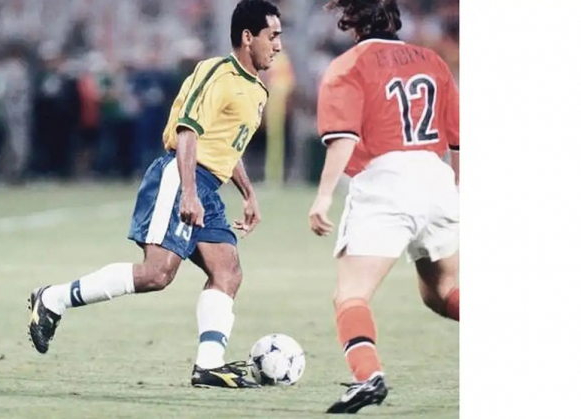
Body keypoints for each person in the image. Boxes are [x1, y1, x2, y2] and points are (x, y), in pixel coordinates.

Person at [27, 0, 283, 390]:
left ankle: (209, 365)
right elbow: (187, 131)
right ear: (248, 37)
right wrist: (189, 193)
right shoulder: (216, 73)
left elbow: (226, 148)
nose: (278, 45)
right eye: (272, 36)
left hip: (207, 185)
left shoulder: (257, 90)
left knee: (228, 272)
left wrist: (248, 193)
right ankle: (53, 299)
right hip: (180, 176)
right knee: (157, 273)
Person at [308, 0, 460, 413]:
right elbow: (460, 138)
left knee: (350, 295)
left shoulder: (348, 65)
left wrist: (323, 195)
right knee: (442, 293)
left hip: (386, 181)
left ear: (350, 20)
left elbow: (344, 137)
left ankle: (368, 376)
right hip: (436, 177)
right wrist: (458, 189)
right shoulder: (432, 61)